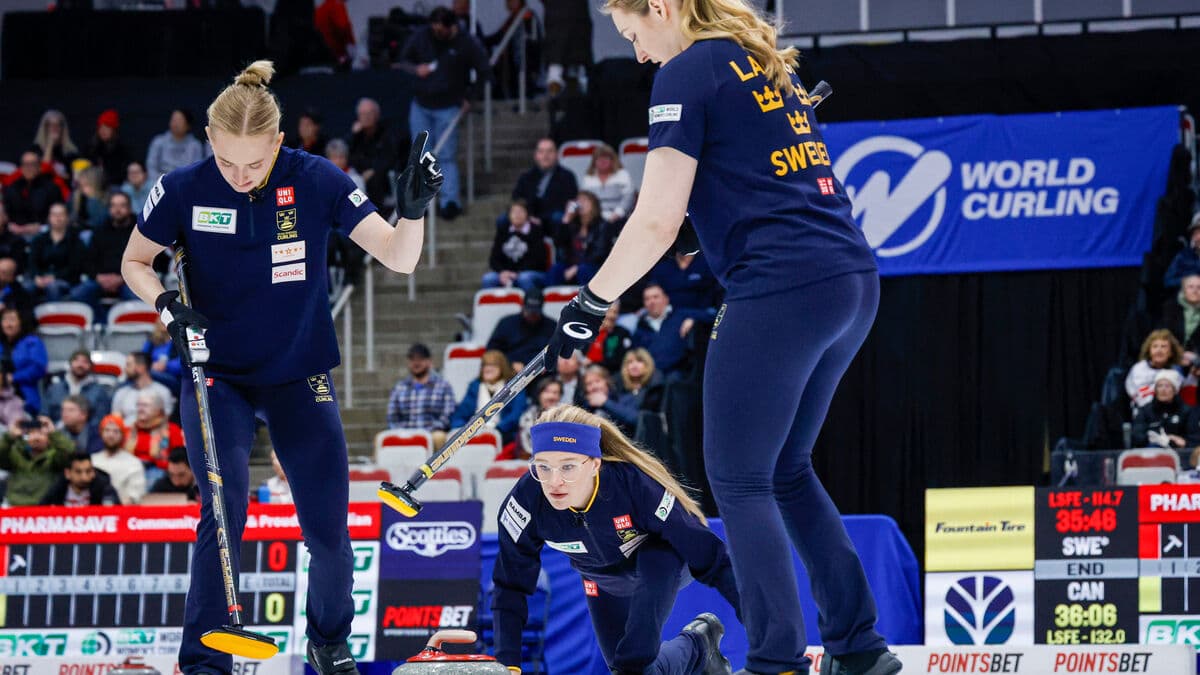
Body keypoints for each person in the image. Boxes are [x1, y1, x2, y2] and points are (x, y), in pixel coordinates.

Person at [542, 2, 900, 673]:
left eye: (634, 35)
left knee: (737, 480)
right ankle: (859, 648)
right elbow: (764, 182)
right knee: (785, 469)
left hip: (780, 289)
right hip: (849, 280)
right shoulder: (763, 64)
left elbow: (653, 222)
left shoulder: (688, 70)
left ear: (661, 8)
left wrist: (591, 299)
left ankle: (775, 660)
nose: (641, 54)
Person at [120, 60, 442, 674]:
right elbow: (135, 261)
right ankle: (205, 662)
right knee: (224, 506)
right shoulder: (182, 188)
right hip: (218, 376)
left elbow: (400, 258)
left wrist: (414, 208)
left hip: (299, 375)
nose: (240, 177)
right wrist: (165, 304)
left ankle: (327, 640)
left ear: (278, 142)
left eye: (255, 163)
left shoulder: (317, 179)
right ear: (209, 141)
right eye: (227, 162)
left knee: (329, 535)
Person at [492, 405, 739, 675]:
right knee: (635, 672)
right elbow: (510, 585)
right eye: (543, 467)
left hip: (661, 566)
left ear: (595, 464)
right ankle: (699, 645)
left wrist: (762, 622)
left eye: (568, 467)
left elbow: (708, 554)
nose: (554, 482)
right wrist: (508, 664)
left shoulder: (634, 485)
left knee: (633, 654)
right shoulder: (526, 501)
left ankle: (685, 649)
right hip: (602, 580)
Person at [398, 6, 490, 220]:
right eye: (434, 28)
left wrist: (470, 97)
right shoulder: (422, 35)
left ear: (451, 27)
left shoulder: (466, 42)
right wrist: (415, 69)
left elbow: (485, 70)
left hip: (449, 105)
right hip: (422, 103)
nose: (436, 32)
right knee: (422, 155)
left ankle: (450, 201)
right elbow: (403, 61)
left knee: (446, 155)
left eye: (441, 30)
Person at [71, 191, 139, 314]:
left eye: (122, 206)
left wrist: (122, 278)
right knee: (77, 294)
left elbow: (146, 260)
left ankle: (126, 328)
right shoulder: (100, 230)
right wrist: (98, 277)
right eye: (114, 206)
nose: (117, 210)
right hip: (101, 279)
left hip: (129, 280)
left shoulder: (140, 230)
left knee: (137, 297)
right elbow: (88, 260)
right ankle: (101, 323)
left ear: (129, 208)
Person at [386, 343, 457, 448]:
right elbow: (392, 417)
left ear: (429, 361)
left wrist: (425, 432)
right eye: (412, 359)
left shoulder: (443, 386)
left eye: (420, 359)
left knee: (439, 437)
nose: (416, 363)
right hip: (404, 432)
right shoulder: (399, 387)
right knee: (380, 438)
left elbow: (448, 415)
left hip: (432, 433)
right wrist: (403, 432)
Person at [450, 349, 526, 443]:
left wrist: (496, 429)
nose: (487, 368)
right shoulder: (475, 386)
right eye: (485, 365)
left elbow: (516, 414)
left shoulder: (513, 386)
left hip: (503, 434)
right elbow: (460, 414)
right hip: (473, 433)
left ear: (502, 367)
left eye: (493, 365)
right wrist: (463, 430)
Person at [0, 415, 75, 506]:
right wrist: (10, 436)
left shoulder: (55, 456)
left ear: (49, 438)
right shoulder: (16, 454)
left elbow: (70, 452)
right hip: (15, 505)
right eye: (32, 433)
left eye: (41, 433)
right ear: (26, 437)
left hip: (44, 506)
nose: (36, 437)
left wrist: (53, 432)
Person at [632, 284, 702, 377]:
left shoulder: (680, 315)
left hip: (680, 374)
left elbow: (712, 315)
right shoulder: (640, 327)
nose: (651, 301)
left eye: (655, 297)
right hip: (650, 377)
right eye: (647, 299)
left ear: (666, 299)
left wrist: (694, 320)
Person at [549, 191, 614, 287]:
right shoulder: (573, 225)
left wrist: (577, 267)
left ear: (594, 205)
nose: (580, 203)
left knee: (583, 270)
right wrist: (566, 218)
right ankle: (551, 300)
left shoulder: (602, 225)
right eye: (578, 200)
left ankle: (586, 300)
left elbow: (599, 253)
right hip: (572, 266)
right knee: (556, 269)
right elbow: (558, 242)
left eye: (584, 200)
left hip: (594, 267)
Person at [482, 199, 547, 292]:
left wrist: (517, 273)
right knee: (488, 279)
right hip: (506, 273)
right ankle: (491, 306)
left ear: (527, 214)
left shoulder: (535, 231)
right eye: (514, 212)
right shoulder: (503, 231)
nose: (517, 215)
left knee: (524, 278)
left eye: (520, 211)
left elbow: (538, 260)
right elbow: (494, 259)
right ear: (509, 215)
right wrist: (502, 272)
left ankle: (530, 304)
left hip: (530, 272)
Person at [512, 138, 579, 226]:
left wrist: (542, 220)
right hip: (528, 217)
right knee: (503, 220)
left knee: (558, 217)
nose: (545, 155)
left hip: (553, 218)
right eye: (541, 151)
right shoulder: (526, 177)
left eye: (550, 151)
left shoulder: (567, 176)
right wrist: (528, 216)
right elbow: (517, 198)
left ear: (557, 155)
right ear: (536, 155)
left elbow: (571, 201)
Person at [348, 98, 401, 209]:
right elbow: (349, 157)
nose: (366, 117)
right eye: (362, 114)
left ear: (377, 115)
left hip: (382, 177)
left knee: (374, 180)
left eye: (369, 113)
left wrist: (374, 170)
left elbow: (391, 157)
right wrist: (352, 136)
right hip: (360, 176)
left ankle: (374, 215)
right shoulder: (357, 136)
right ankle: (356, 214)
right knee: (350, 182)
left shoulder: (387, 132)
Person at [27, 203, 85, 302]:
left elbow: (75, 267)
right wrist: (37, 277)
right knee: (26, 287)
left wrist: (54, 277)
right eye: (54, 215)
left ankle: (54, 316)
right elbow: (32, 263)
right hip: (41, 278)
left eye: (61, 215)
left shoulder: (75, 240)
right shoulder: (39, 240)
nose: (58, 218)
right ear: (49, 217)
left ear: (67, 217)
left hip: (66, 280)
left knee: (53, 287)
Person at [486, 288, 555, 369]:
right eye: (529, 311)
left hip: (541, 374)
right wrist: (510, 364)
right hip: (510, 372)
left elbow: (557, 353)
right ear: (523, 307)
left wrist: (548, 365)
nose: (532, 315)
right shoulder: (506, 323)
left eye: (535, 312)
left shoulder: (552, 326)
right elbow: (492, 351)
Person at [41, 349, 114, 422]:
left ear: (90, 366)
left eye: (85, 362)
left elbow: (101, 419)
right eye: (76, 360)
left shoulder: (99, 392)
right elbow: (44, 414)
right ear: (70, 363)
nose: (80, 365)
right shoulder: (54, 389)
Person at [127, 390, 186, 477]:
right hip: (131, 468)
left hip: (159, 472)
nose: (140, 409)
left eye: (145, 405)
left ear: (158, 410)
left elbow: (178, 459)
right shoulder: (131, 429)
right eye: (138, 405)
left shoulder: (171, 430)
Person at [0, 308, 48, 415]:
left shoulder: (32, 342)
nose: (8, 324)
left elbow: (39, 368)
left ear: (21, 322)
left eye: (12, 320)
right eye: (5, 320)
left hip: (24, 396)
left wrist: (12, 378)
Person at [91, 414, 146, 505]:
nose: (111, 435)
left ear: (122, 435)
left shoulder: (133, 463)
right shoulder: (92, 460)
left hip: (122, 512)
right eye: (107, 430)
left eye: (116, 431)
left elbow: (135, 496)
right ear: (101, 433)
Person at [3, 150, 65, 228]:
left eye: (32, 164)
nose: (28, 168)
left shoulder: (52, 188)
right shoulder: (12, 188)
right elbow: (7, 213)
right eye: (25, 164)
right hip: (15, 232)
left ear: (39, 167)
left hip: (43, 230)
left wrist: (39, 226)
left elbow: (59, 214)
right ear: (21, 167)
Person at [1125, 329, 1184, 409]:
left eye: (1164, 346)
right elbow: (1140, 398)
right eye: (1155, 346)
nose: (1159, 350)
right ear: (1149, 350)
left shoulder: (1176, 372)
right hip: (1143, 414)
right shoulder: (1139, 369)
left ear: (1171, 352)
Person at [110, 352, 175, 424]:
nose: (125, 368)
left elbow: (164, 421)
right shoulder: (121, 393)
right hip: (127, 433)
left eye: (128, 365)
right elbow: (115, 422)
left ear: (141, 368)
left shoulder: (163, 392)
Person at [1132, 369, 1189, 448]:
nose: (1163, 389)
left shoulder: (1185, 410)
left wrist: (1176, 440)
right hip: (1150, 453)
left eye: (1167, 386)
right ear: (1155, 390)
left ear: (1175, 390)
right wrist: (1154, 438)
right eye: (1159, 386)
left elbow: (1194, 437)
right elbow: (1137, 435)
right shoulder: (1145, 410)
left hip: (1180, 453)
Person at [580, 144, 635, 225]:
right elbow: (584, 201)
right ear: (594, 161)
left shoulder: (623, 175)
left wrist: (617, 214)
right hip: (594, 218)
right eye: (599, 158)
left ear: (613, 160)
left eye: (606, 158)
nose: (603, 161)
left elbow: (629, 198)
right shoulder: (588, 178)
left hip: (618, 218)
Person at [39, 451, 119, 506]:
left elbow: (115, 513)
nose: (84, 477)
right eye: (78, 472)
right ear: (68, 473)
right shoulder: (58, 490)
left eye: (88, 471)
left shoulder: (104, 488)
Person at [146, 109, 207, 181]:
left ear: (188, 125)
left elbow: (197, 169)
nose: (175, 123)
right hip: (161, 181)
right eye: (173, 120)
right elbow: (151, 166)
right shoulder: (159, 141)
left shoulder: (195, 145)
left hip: (185, 182)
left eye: (180, 120)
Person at [512, 376, 562, 459]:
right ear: (539, 394)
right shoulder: (527, 416)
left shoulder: (568, 416)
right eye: (547, 392)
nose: (551, 396)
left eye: (555, 393)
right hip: (529, 461)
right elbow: (520, 448)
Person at [580, 364, 638, 434]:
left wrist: (605, 402)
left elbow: (635, 419)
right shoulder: (583, 406)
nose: (594, 386)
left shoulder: (625, 399)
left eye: (597, 381)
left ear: (606, 382)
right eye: (589, 384)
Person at [86, 109, 132, 187]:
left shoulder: (123, 150)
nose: (103, 131)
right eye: (101, 127)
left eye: (107, 127)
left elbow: (123, 174)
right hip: (93, 186)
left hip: (116, 186)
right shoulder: (92, 148)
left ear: (114, 130)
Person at [587, 303, 634, 373]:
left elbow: (623, 359)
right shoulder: (589, 331)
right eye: (609, 311)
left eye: (615, 312)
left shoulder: (622, 333)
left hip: (612, 374)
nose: (611, 315)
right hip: (587, 371)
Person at [33, 109, 80, 176]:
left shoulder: (71, 153)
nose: (54, 127)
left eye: (58, 124)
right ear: (45, 128)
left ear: (63, 128)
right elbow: (42, 172)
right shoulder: (35, 151)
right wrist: (50, 144)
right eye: (50, 125)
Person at [1164, 212, 1200, 290]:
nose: (1198, 237)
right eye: (1195, 233)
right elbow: (1168, 281)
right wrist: (1188, 281)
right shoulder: (1183, 256)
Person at [70, 165, 109, 230]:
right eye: (81, 185)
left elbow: (98, 222)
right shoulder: (77, 197)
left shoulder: (100, 201)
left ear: (96, 185)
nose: (82, 189)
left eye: (86, 185)